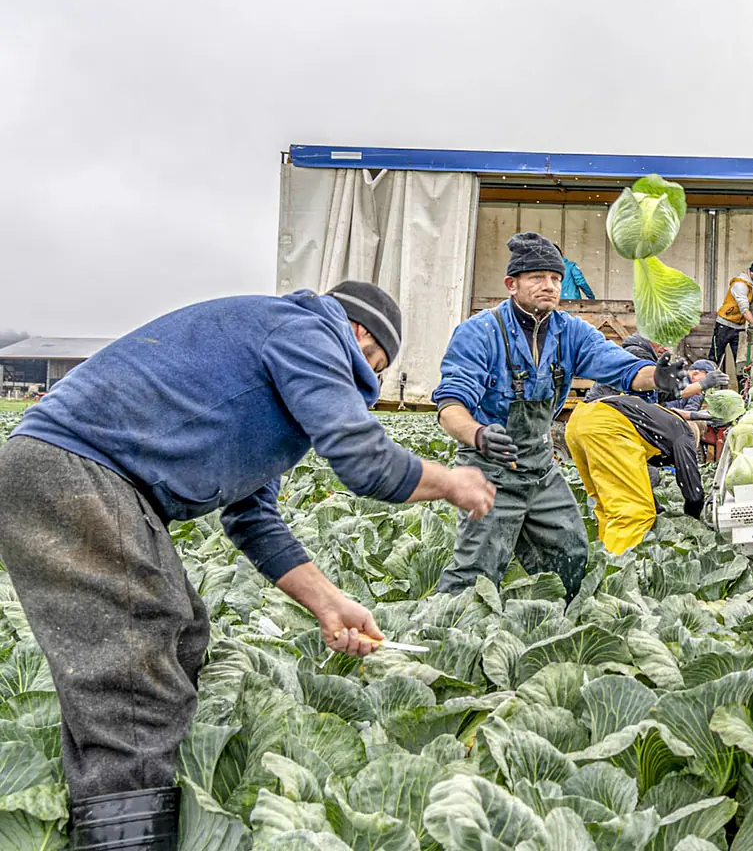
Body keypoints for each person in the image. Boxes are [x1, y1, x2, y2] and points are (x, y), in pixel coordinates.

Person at [0, 281, 496, 846]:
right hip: (75, 471)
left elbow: (252, 519)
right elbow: (364, 461)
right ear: (358, 335)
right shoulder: (310, 330)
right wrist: (449, 481)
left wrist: (329, 604)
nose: (365, 385)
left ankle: (133, 807)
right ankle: (127, 837)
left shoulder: (275, 372)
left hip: (87, 479)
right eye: (372, 367)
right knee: (135, 676)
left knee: (179, 636)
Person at [433, 232, 690, 598]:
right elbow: (450, 405)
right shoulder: (480, 332)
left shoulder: (570, 332)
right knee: (476, 569)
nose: (549, 286)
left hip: (539, 468)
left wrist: (658, 376)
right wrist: (477, 434)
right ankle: (443, 639)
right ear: (512, 284)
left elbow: (620, 367)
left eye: (555, 278)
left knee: (571, 553)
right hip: (487, 468)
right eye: (537, 278)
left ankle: (551, 626)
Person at [565, 393, 707, 553]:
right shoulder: (684, 434)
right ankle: (620, 567)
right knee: (635, 513)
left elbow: (636, 477)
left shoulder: (659, 421)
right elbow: (693, 490)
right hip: (607, 426)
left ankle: (604, 555)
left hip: (579, 420)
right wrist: (694, 520)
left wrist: (657, 507)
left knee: (607, 505)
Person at [586, 336, 727, 406]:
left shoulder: (646, 356)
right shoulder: (637, 354)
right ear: (649, 337)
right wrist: (702, 385)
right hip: (602, 409)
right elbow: (662, 391)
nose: (666, 349)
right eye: (661, 342)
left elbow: (662, 396)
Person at [711, 260, 753, 378]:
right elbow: (745, 310)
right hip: (724, 325)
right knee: (715, 358)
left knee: (741, 362)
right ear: (751, 273)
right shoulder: (740, 285)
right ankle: (708, 388)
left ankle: (742, 392)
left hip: (739, 328)